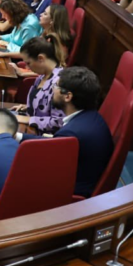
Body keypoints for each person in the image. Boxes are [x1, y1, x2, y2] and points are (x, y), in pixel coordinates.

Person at [23, 66, 113, 198]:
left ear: (67, 96)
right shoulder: (92, 116)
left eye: (56, 86)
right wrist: (19, 136)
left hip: (68, 196)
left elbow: (47, 168)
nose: (53, 90)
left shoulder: (71, 134)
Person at [12, 36, 66, 134]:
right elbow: (43, 104)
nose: (27, 67)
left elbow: (59, 122)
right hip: (31, 128)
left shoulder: (60, 83)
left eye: (28, 63)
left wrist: (28, 120)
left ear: (41, 58)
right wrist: (28, 107)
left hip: (43, 139)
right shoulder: (42, 76)